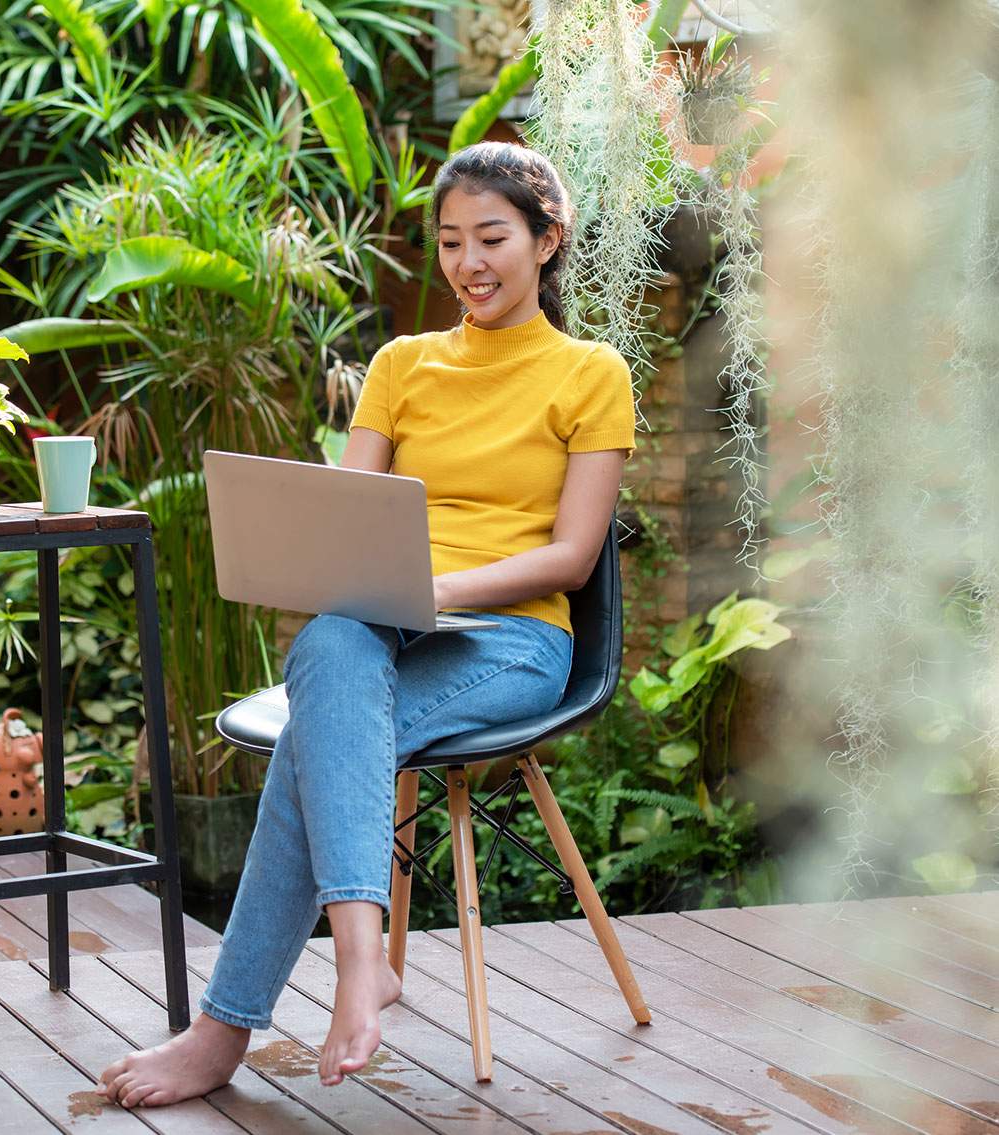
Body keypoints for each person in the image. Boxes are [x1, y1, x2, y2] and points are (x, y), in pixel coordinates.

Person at [99, 140, 637, 1108]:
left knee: (320, 735)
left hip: (514, 639)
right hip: (386, 625)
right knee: (331, 642)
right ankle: (359, 958)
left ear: (547, 240)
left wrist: (440, 592)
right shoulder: (403, 362)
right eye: (449, 242)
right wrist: (342, 572)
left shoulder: (590, 371)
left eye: (493, 238)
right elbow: (350, 515)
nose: (468, 263)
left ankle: (231, 1027)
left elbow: (571, 558)